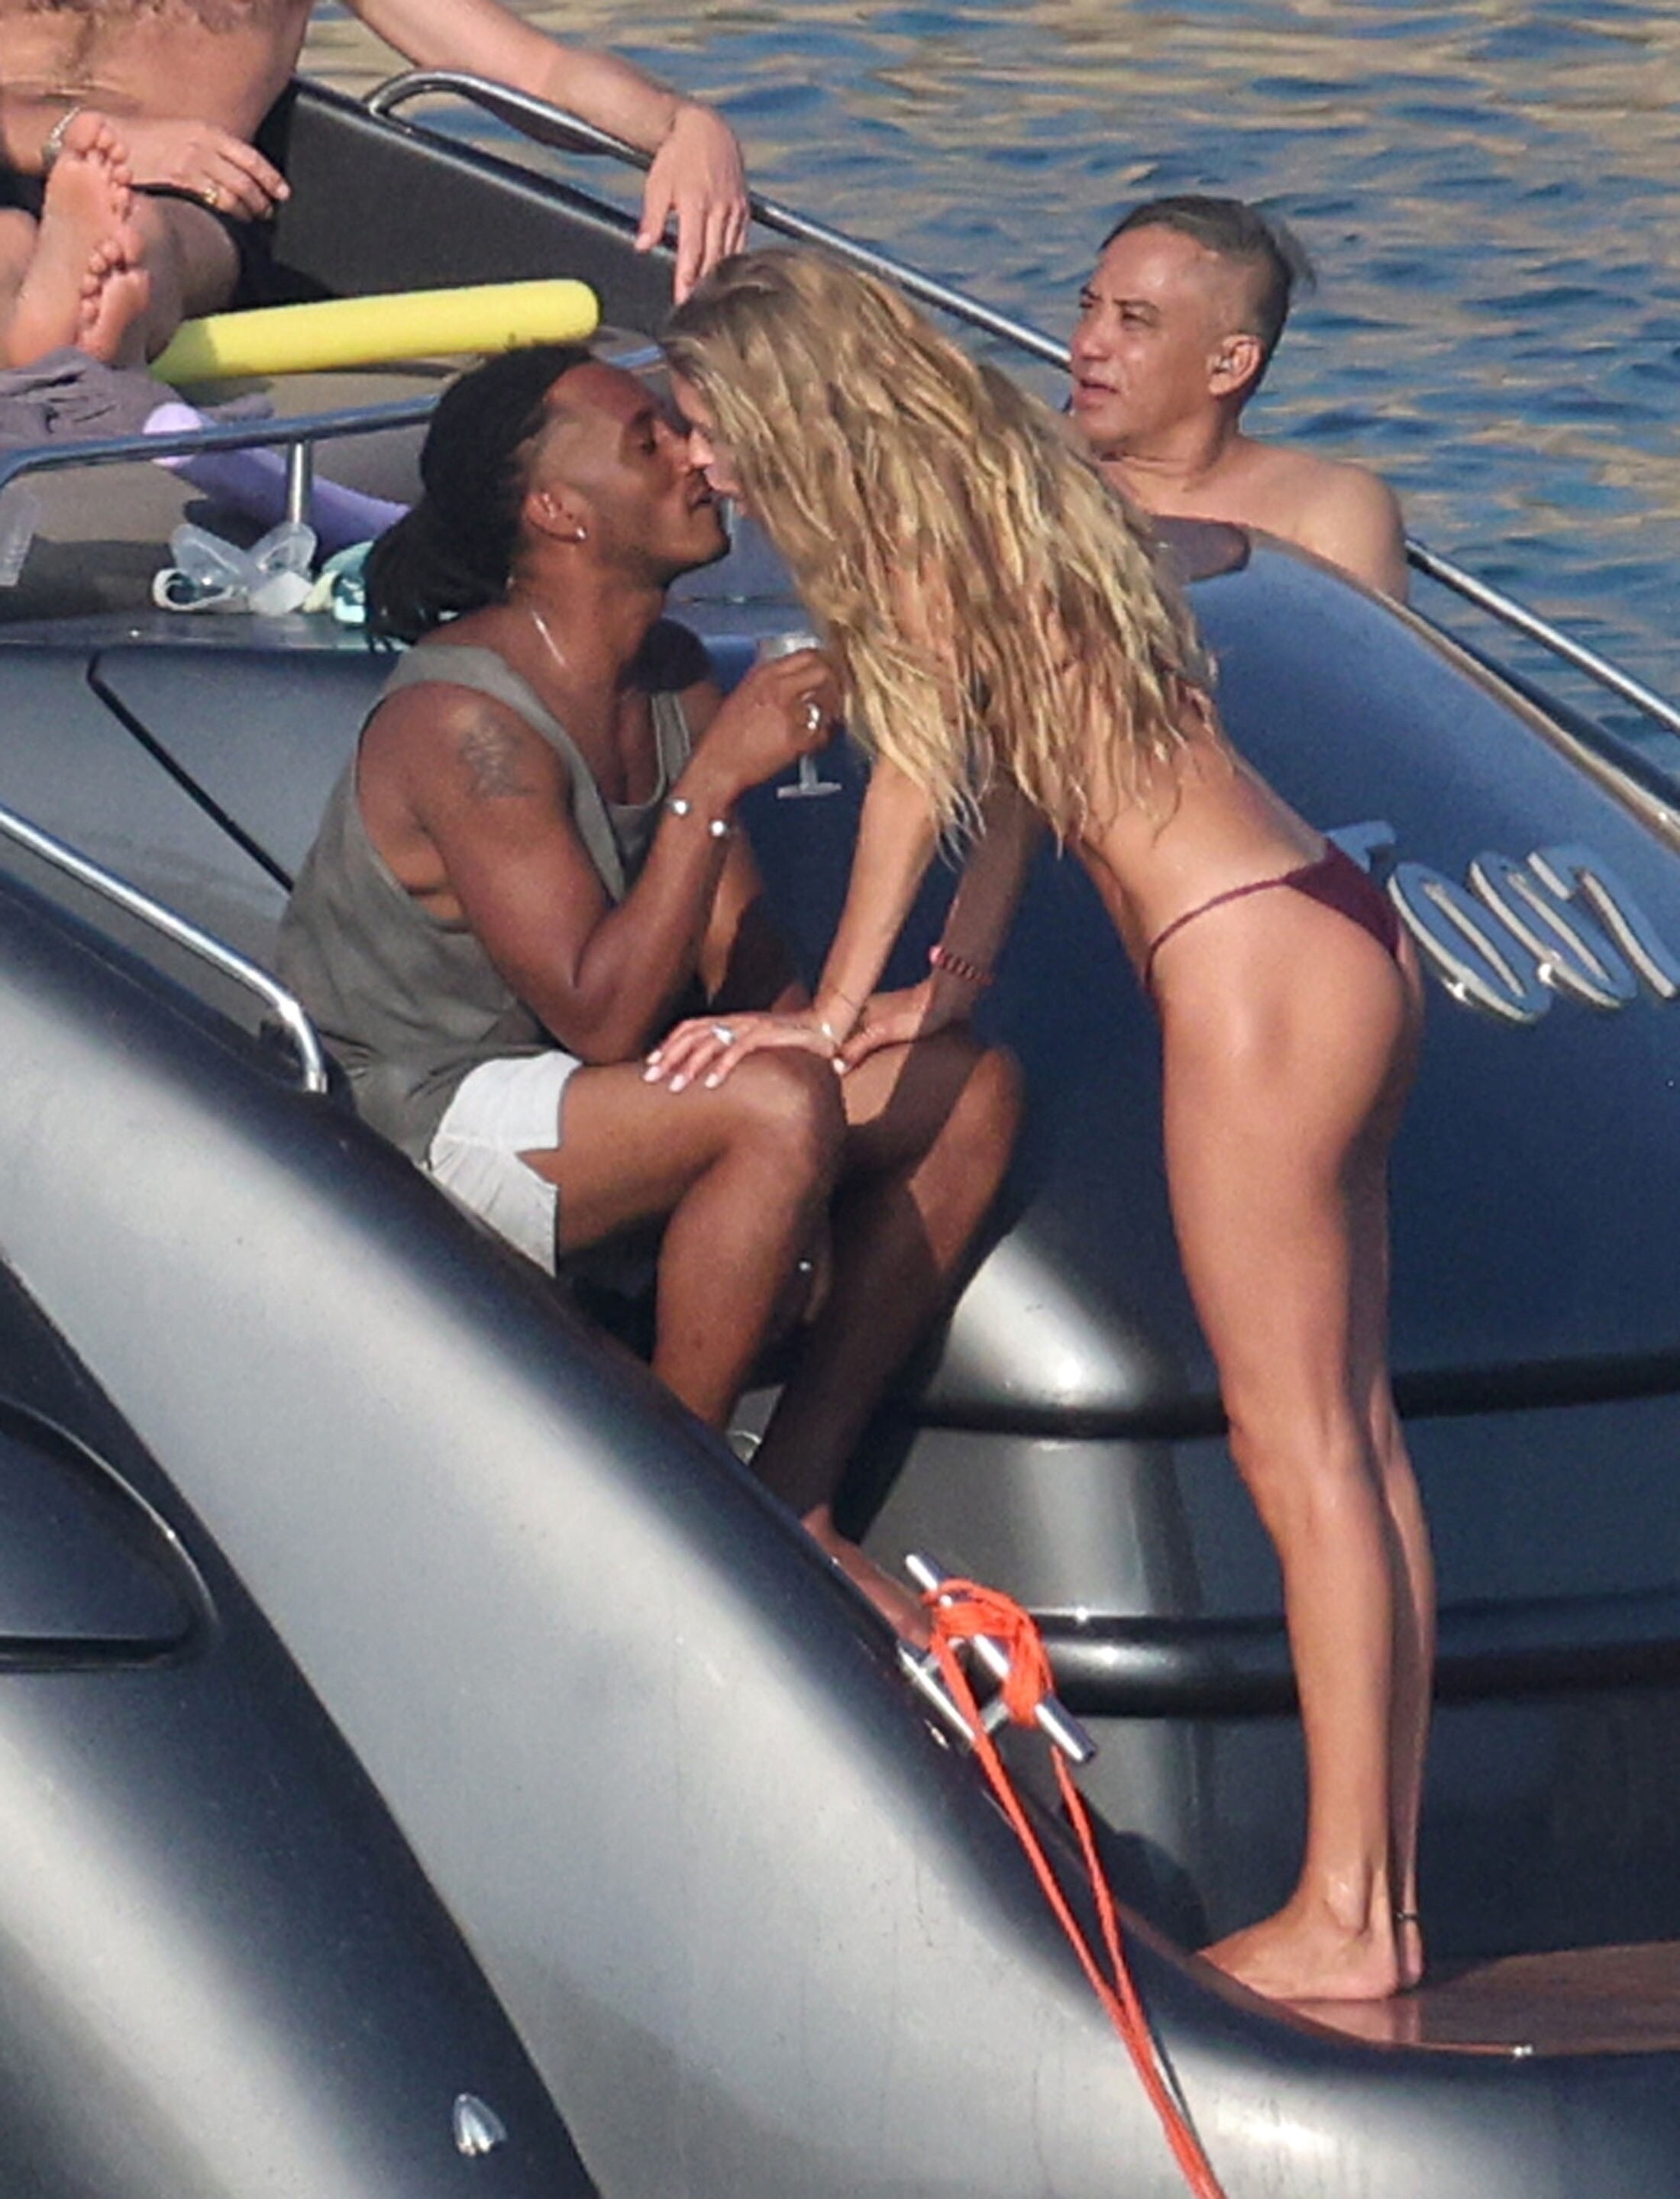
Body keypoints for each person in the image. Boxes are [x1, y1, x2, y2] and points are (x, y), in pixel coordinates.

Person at [651, 248, 1433, 2007]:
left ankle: (1341, 1912)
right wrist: (959, 979)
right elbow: (1025, 770)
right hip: (1328, 920)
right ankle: (1377, 1902)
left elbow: (922, 778)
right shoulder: (1008, 482)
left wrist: (833, 1012)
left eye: (703, 425)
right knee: (1356, 1441)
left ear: (781, 402)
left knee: (1295, 1448)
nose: (698, 460)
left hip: (1240, 958)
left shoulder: (905, 535)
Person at [277, 341, 1020, 1642]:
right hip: (422, 1115)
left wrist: (823, 1065)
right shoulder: (465, 722)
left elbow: (748, 960)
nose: (697, 457)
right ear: (557, 512)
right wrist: (714, 782)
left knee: (965, 1090)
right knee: (775, 1107)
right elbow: (602, 1011)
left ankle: (793, 1498)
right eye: (651, 440)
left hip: (589, 1092)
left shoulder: (671, 671)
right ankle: (679, 1514)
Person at [0, 0, 749, 368]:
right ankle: (59, 325)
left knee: (142, 243)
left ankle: (73, 314)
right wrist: (72, 136)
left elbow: (535, 70)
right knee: (12, 237)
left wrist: (679, 122)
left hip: (188, 196)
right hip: (13, 152)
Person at [1070, 195, 1409, 599]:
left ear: (1229, 365)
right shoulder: (1030, 470)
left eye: (1134, 321)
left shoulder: (1322, 510)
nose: (1088, 344)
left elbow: (1349, 640)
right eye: (1088, 309)